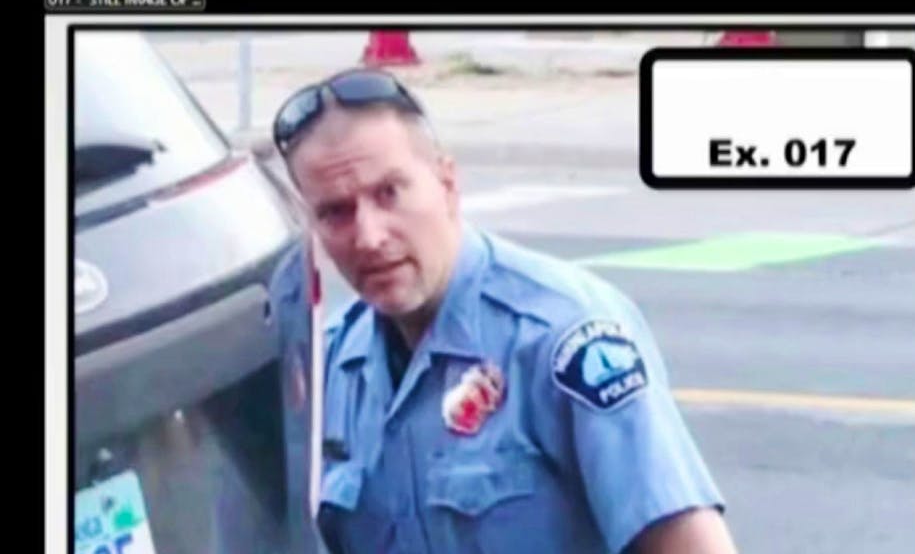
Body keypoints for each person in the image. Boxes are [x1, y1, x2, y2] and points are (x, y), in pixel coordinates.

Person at [268, 67, 737, 554]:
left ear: (447, 183)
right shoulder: (330, 368)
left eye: (390, 193)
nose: (369, 236)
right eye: (336, 212)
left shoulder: (562, 335)